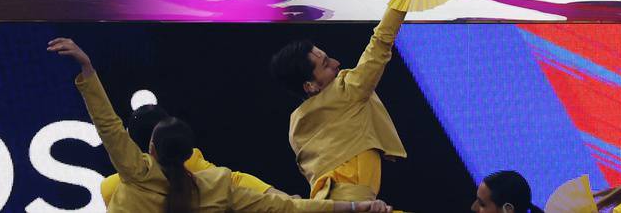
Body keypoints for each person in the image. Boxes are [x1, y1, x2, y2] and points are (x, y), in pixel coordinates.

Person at [47, 38, 377, 213]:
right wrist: (353, 207)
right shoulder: (215, 186)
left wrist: (87, 68)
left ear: (149, 149)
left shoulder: (130, 176)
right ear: (191, 150)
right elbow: (287, 207)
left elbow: (108, 125)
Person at [268, 7, 410, 206]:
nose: (336, 63)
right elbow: (380, 42)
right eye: (325, 65)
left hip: (327, 206)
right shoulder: (345, 92)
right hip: (351, 205)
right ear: (310, 86)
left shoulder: (295, 125)